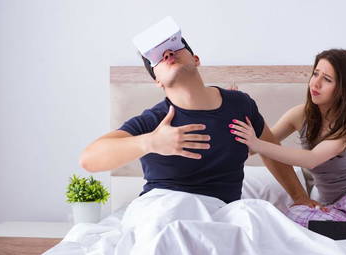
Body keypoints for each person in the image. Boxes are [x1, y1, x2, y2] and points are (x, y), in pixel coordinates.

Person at [79, 36, 313, 206]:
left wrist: (301, 197)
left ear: (196, 59)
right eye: (157, 58)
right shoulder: (155, 121)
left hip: (223, 213)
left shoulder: (240, 105)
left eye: (173, 47)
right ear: (157, 80)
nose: (167, 54)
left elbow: (271, 150)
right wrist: (150, 143)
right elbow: (89, 160)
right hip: (165, 209)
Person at [229, 49, 346, 249]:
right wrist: (237, 111)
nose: (315, 83)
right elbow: (255, 148)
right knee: (292, 218)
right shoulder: (299, 114)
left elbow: (312, 158)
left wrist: (257, 143)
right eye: (315, 74)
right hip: (331, 206)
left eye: (327, 79)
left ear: (344, 88)